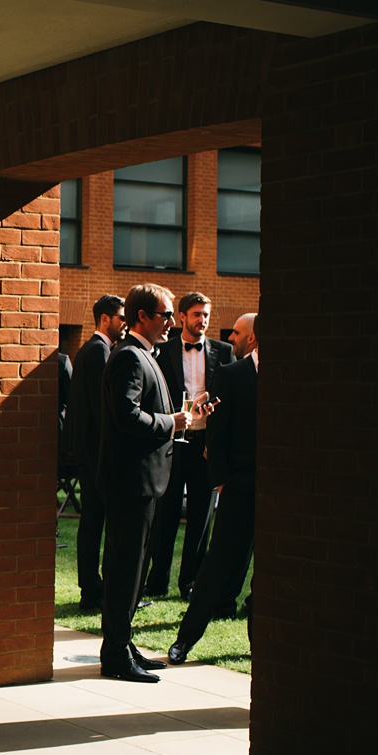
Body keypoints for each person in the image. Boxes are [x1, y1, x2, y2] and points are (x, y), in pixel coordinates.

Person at [97, 283, 202, 683]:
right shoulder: (129, 357)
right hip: (130, 482)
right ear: (142, 316)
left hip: (145, 481)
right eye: (166, 315)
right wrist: (171, 423)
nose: (172, 323)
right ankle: (116, 658)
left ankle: (122, 645)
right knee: (125, 569)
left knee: (134, 569)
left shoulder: (145, 355)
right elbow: (127, 417)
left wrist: (181, 415)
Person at [170, 313, 258, 664]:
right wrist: (221, 479)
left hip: (277, 493)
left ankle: (258, 647)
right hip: (238, 485)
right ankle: (185, 640)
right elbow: (217, 435)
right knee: (216, 564)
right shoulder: (233, 374)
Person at [143, 291, 234, 599]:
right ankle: (158, 581)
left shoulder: (223, 351)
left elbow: (229, 402)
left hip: (205, 444)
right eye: (197, 314)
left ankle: (190, 583)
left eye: (206, 315)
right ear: (182, 316)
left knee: (201, 516)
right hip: (172, 440)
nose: (202, 320)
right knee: (165, 513)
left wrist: (215, 440)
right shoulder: (163, 350)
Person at [60, 294, 125, 615]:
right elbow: (102, 408)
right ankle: (93, 589)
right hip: (96, 454)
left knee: (92, 521)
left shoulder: (90, 349)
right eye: (120, 318)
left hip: (86, 452)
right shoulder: (99, 351)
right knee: (96, 522)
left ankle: (92, 587)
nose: (124, 324)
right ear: (105, 320)